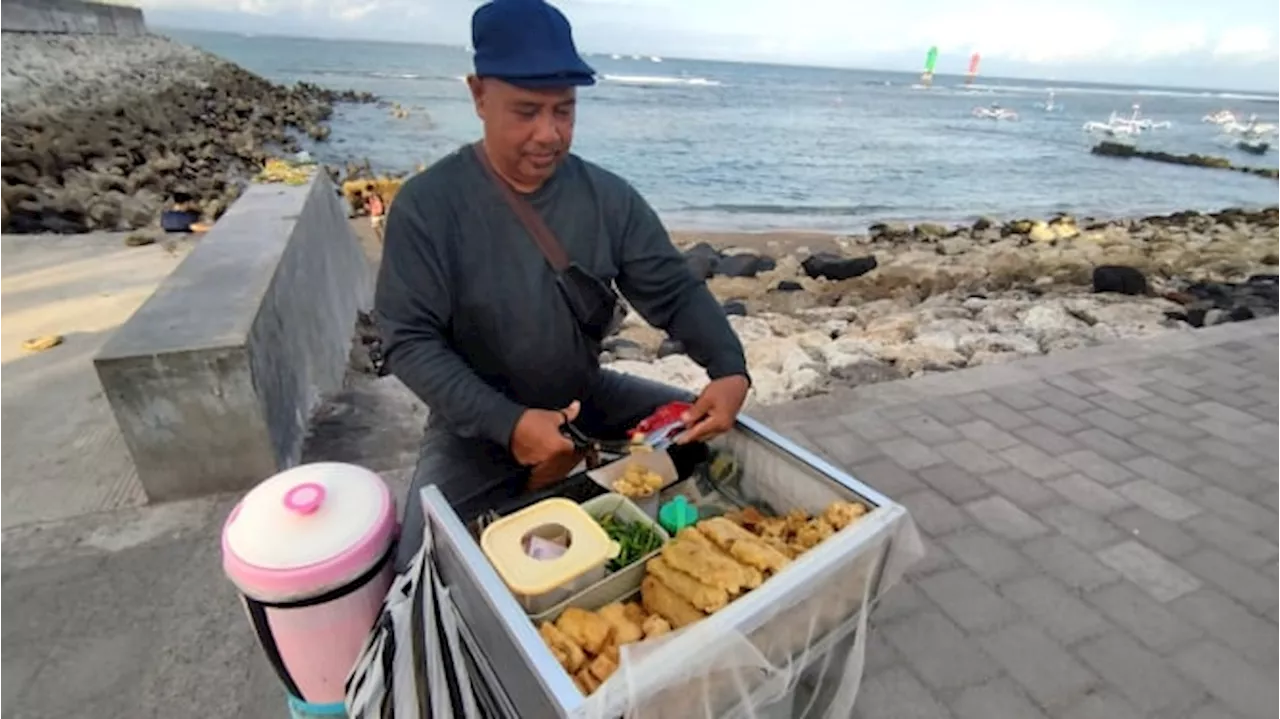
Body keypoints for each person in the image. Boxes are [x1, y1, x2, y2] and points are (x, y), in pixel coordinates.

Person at [375, 0, 751, 571]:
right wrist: (508, 424)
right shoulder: (427, 207)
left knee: (721, 440)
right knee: (423, 569)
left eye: (564, 111)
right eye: (526, 111)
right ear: (479, 95)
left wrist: (729, 368)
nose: (549, 134)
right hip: (475, 424)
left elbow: (672, 289)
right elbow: (408, 341)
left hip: (585, 395)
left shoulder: (608, 198)